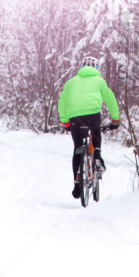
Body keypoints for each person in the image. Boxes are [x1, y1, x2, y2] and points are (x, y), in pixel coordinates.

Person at [58, 56, 120, 199]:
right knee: (96, 130)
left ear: (81, 67)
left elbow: (62, 102)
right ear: (97, 68)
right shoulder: (99, 81)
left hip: (75, 118)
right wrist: (115, 119)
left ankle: (77, 185)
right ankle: (97, 155)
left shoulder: (71, 82)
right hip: (93, 115)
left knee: (77, 148)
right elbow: (110, 99)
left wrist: (64, 121)